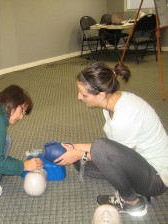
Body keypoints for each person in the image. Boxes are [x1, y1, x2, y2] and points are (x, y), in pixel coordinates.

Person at [55, 62, 168, 217]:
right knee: (82, 164)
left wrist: (78, 153)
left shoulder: (124, 117)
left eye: (84, 94)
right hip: (139, 161)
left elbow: (109, 152)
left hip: (156, 179)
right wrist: (74, 147)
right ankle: (130, 184)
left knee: (98, 148)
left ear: (101, 94)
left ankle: (133, 204)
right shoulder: (111, 102)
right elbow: (116, 148)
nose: (79, 97)